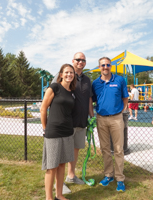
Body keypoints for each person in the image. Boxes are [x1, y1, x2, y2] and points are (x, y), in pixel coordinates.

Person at [51, 52, 94, 194]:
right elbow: (53, 96)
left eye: (83, 60)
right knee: (61, 154)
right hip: (66, 122)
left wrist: (91, 117)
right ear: (72, 61)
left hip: (81, 122)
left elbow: (88, 99)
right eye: (78, 60)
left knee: (75, 150)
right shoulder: (64, 75)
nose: (80, 62)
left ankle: (71, 176)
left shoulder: (88, 80)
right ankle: (59, 183)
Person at [92, 57, 129, 192]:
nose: (105, 67)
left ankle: (120, 178)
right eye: (103, 65)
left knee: (119, 149)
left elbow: (125, 98)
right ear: (99, 67)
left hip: (116, 119)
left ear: (111, 66)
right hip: (101, 119)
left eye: (107, 65)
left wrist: (122, 110)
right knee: (105, 149)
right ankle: (109, 175)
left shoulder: (119, 80)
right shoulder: (95, 83)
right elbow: (94, 100)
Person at [40, 64, 76, 200]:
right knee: (52, 166)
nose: (69, 75)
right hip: (53, 132)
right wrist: (45, 128)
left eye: (71, 73)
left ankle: (59, 195)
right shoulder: (54, 87)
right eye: (66, 72)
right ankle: (49, 198)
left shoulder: (71, 92)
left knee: (61, 165)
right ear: (61, 74)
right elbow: (43, 109)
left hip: (67, 132)